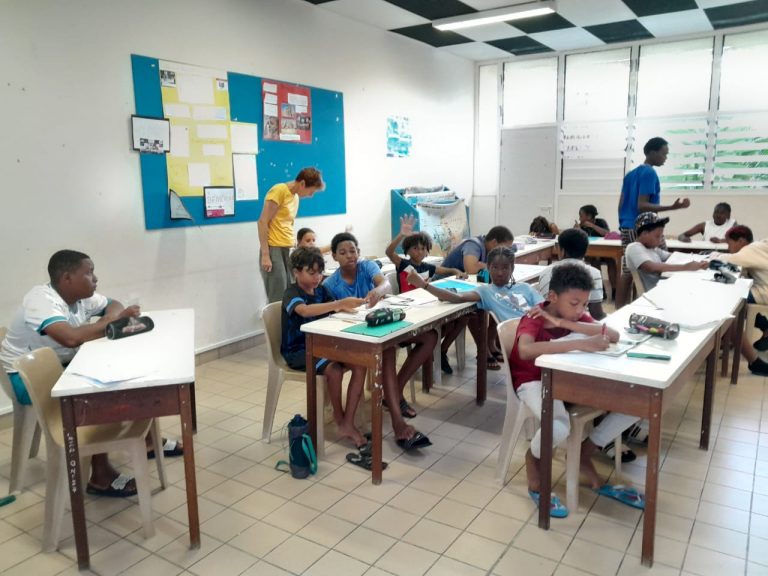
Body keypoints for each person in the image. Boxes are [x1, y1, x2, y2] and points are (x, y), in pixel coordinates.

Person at [0, 250, 182, 498]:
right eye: (89, 273)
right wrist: (110, 323)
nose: (95, 278)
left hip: (60, 364)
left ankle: (148, 441)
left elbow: (113, 304)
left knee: (123, 374)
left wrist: (112, 317)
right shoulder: (41, 300)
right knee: (100, 391)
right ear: (67, 278)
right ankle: (100, 476)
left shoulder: (81, 297)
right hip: (27, 378)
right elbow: (70, 338)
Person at [509, 263, 642, 517]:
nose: (581, 310)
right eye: (574, 303)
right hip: (533, 381)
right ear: (552, 297)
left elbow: (613, 334)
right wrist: (581, 343)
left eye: (585, 304)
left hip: (568, 379)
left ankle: (584, 452)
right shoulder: (534, 317)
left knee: (635, 403)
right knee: (559, 426)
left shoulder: (573, 316)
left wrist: (566, 323)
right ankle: (533, 460)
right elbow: (525, 350)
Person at [323, 232, 433, 448]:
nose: (349, 256)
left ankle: (394, 392)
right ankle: (398, 421)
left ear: (359, 252)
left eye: (353, 251)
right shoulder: (331, 284)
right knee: (388, 350)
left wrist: (377, 291)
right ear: (334, 256)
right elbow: (333, 319)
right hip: (354, 337)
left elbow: (386, 285)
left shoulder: (366, 267)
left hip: (378, 327)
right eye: (343, 253)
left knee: (430, 336)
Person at [280, 247, 368, 447]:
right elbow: (304, 311)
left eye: (319, 272)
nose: (317, 277)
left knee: (360, 365)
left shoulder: (321, 291)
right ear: (296, 272)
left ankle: (347, 421)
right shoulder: (291, 293)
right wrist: (338, 304)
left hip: (323, 346)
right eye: (311, 272)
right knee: (334, 371)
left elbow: (335, 310)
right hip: (299, 351)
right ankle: (339, 418)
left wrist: (352, 306)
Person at [385, 215, 467, 374]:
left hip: (427, 307)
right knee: (438, 330)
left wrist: (456, 270)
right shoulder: (403, 264)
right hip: (409, 309)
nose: (420, 251)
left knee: (459, 320)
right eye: (415, 248)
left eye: (423, 248)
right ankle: (431, 353)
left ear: (428, 250)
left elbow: (445, 270)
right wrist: (401, 234)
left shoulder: (427, 267)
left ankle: (439, 351)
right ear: (407, 250)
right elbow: (389, 252)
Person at [616, 137, 691, 306]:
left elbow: (621, 204)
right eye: (663, 154)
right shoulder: (649, 173)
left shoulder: (630, 175)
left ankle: (619, 309)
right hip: (645, 227)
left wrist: (624, 224)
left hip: (627, 225)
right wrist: (672, 207)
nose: (665, 158)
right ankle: (660, 304)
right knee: (663, 265)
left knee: (628, 271)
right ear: (652, 153)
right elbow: (642, 205)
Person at [440, 225, 514, 370]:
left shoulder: (490, 250)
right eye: (504, 247)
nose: (505, 252)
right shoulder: (473, 245)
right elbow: (471, 268)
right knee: (475, 311)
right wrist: (486, 265)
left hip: (463, 288)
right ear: (494, 242)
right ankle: (483, 350)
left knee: (496, 302)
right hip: (443, 288)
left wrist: (484, 265)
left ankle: (490, 344)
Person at [406, 246, 543, 323]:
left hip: (539, 326)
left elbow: (544, 307)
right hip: (519, 333)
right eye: (495, 267)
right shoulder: (486, 291)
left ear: (512, 268)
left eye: (505, 268)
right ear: (488, 268)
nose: (500, 273)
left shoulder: (525, 288)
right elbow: (458, 297)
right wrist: (425, 285)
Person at [258, 168, 325, 303]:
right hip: (274, 248)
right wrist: (265, 254)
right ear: (302, 184)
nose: (311, 195)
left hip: (288, 248)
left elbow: (288, 224)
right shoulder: (279, 190)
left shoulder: (295, 197)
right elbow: (262, 222)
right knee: (278, 295)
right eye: (311, 191)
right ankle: (276, 318)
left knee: (292, 293)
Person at [714, 226, 768, 374]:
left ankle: (728, 336)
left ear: (741, 241)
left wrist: (714, 255)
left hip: (764, 292)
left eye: (729, 243)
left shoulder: (751, 250)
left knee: (732, 302)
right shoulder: (759, 246)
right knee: (735, 296)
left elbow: (729, 260)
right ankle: (764, 326)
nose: (728, 248)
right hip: (763, 289)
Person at [625, 212, 708, 292]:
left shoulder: (652, 249)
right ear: (644, 233)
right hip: (655, 292)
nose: (660, 240)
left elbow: (673, 256)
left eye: (661, 236)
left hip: (663, 286)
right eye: (657, 236)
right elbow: (651, 267)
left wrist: (698, 259)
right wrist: (686, 267)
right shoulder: (634, 247)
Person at [538, 228, 606, 320]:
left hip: (547, 321)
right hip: (578, 324)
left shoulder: (545, 272)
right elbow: (597, 314)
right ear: (586, 251)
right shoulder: (594, 273)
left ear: (562, 251)